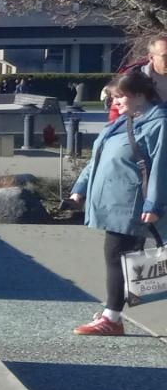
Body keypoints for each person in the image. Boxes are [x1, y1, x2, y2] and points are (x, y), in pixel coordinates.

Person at [67, 68, 167, 336]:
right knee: (119, 257)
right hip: (113, 202)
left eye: (120, 97)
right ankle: (111, 315)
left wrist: (153, 205)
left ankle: (111, 318)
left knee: (117, 256)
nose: (115, 103)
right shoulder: (122, 122)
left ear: (138, 96)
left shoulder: (158, 123)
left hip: (132, 203)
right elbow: (97, 157)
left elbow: (161, 166)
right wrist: (80, 187)